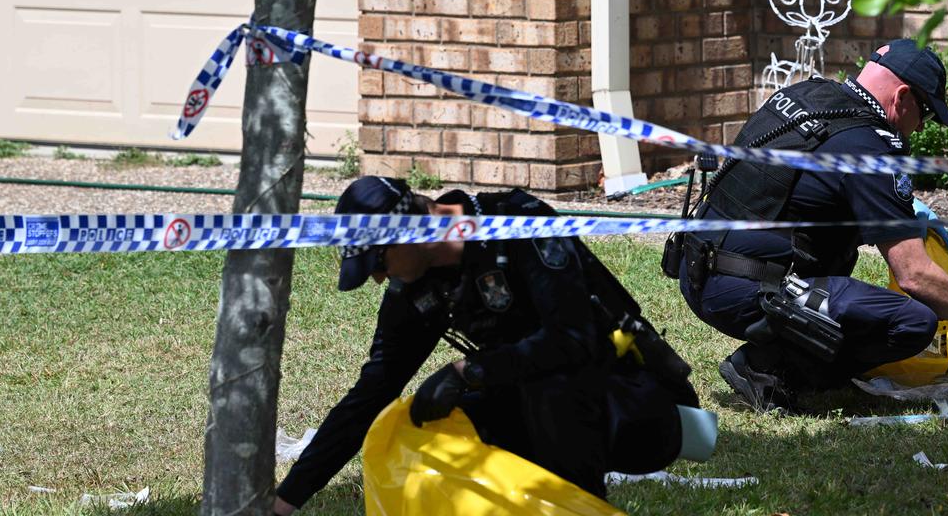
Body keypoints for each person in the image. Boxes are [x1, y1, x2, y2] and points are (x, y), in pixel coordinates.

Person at [274, 177, 699, 513]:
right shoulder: (417, 286)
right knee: (431, 428)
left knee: (547, 385)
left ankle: (579, 508)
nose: (379, 279)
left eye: (377, 262)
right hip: (542, 408)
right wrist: (284, 501)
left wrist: (471, 371)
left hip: (635, 407)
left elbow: (574, 339)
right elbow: (371, 394)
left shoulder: (515, 223)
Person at [668, 38, 948, 412]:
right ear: (902, 98)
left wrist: (899, 208)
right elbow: (915, 275)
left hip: (697, 268)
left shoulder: (806, 96)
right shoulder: (870, 148)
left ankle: (775, 353)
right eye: (926, 113)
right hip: (745, 287)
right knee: (911, 322)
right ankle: (765, 367)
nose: (919, 126)